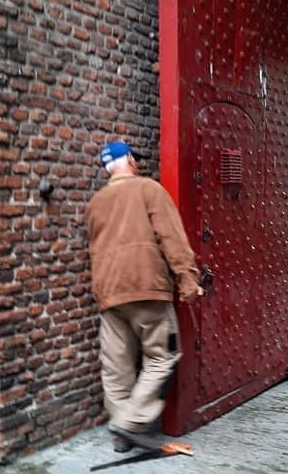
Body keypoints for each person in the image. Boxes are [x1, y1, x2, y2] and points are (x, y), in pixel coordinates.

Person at [86, 141, 203, 452]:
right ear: (127, 160)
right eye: (134, 158)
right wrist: (188, 280)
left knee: (116, 366)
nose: (137, 163)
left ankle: (119, 436)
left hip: (108, 293)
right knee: (163, 356)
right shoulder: (149, 190)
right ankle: (130, 422)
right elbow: (172, 237)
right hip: (147, 286)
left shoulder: (96, 202)